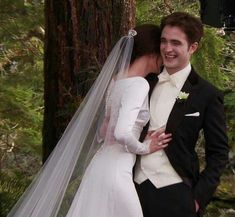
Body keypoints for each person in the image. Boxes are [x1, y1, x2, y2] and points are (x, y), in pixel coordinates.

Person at [7, 24, 171, 217]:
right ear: (152, 51)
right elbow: (121, 132)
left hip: (99, 166)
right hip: (116, 172)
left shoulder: (117, 80)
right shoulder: (139, 84)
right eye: (161, 49)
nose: (164, 57)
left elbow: (103, 132)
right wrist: (145, 147)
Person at [134, 12, 229, 217]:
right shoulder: (144, 83)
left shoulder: (206, 94)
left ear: (192, 47)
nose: (168, 49)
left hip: (177, 195)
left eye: (176, 43)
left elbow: (219, 154)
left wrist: (197, 199)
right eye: (164, 41)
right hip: (132, 190)